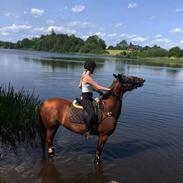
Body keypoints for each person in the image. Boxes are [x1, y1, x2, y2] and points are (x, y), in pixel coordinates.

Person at [79, 60, 111, 138]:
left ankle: (95, 126)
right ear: (91, 68)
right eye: (94, 68)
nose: (94, 70)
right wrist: (109, 89)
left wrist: (98, 92)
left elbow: (82, 86)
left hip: (89, 97)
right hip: (86, 99)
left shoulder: (85, 76)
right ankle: (87, 131)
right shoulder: (87, 77)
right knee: (92, 114)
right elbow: (97, 86)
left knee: (100, 108)